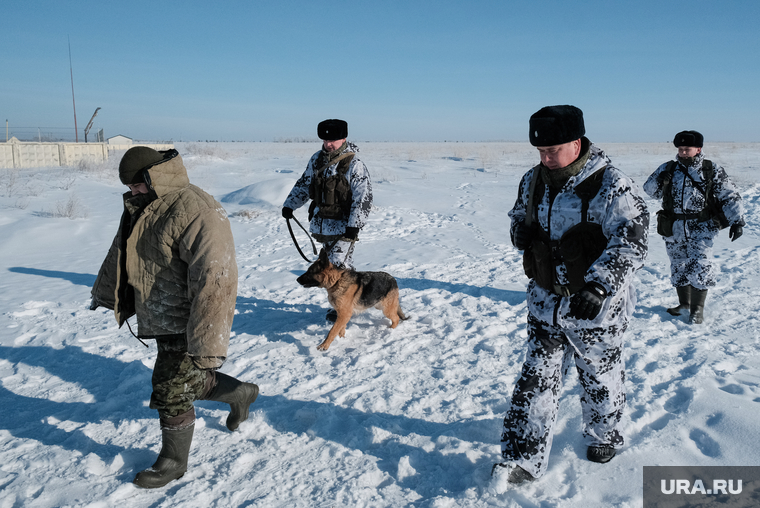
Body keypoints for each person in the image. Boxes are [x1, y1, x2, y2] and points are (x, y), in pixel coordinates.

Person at [495, 105, 649, 484]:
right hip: (545, 302)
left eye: (554, 150)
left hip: (595, 308)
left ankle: (603, 433)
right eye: (541, 151)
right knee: (535, 380)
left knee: (599, 375)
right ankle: (522, 459)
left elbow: (632, 240)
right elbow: (518, 213)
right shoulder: (533, 179)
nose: (546, 158)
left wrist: (600, 285)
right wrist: (520, 232)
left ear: (577, 143)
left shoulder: (610, 183)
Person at [90, 146, 259, 489]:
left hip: (190, 318)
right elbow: (121, 252)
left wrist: (208, 338)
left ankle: (173, 462)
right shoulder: (144, 205)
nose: (132, 192)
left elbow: (217, 278)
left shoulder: (197, 210)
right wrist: (109, 293)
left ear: (152, 177)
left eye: (136, 185)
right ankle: (240, 393)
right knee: (189, 381)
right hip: (159, 314)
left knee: (170, 390)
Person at [644, 130, 745, 324]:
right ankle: (684, 304)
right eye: (680, 149)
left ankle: (697, 309)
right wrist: (660, 179)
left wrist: (737, 221)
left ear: (698, 149)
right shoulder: (669, 168)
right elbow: (650, 191)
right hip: (673, 227)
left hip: (701, 226)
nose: (682, 153)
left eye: (687, 149)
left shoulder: (710, 169)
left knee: (700, 266)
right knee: (678, 265)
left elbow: (730, 195)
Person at [282, 119, 373, 321]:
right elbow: (304, 184)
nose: (328, 144)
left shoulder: (355, 165)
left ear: (344, 138)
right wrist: (290, 205)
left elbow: (363, 198)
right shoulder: (317, 160)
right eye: (325, 139)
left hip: (344, 228)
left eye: (333, 139)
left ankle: (342, 308)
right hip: (322, 225)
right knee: (330, 268)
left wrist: (354, 226)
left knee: (339, 266)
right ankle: (345, 303)